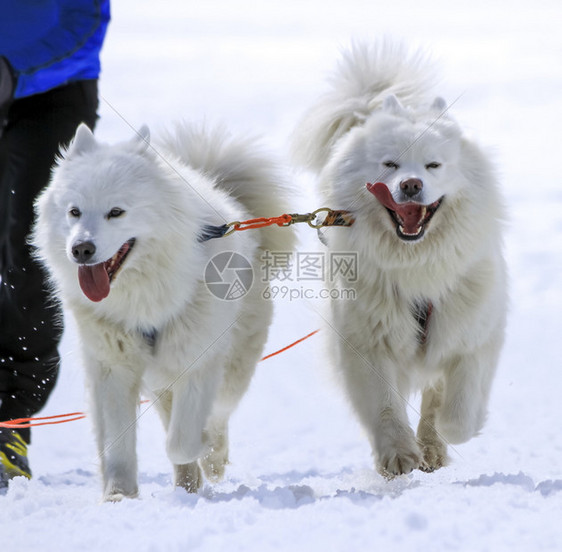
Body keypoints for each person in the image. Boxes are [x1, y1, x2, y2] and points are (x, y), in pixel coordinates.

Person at [0, 0, 110, 488]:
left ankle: (9, 423)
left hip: (52, 93)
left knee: (29, 252)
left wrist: (10, 67)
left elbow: (85, 16)